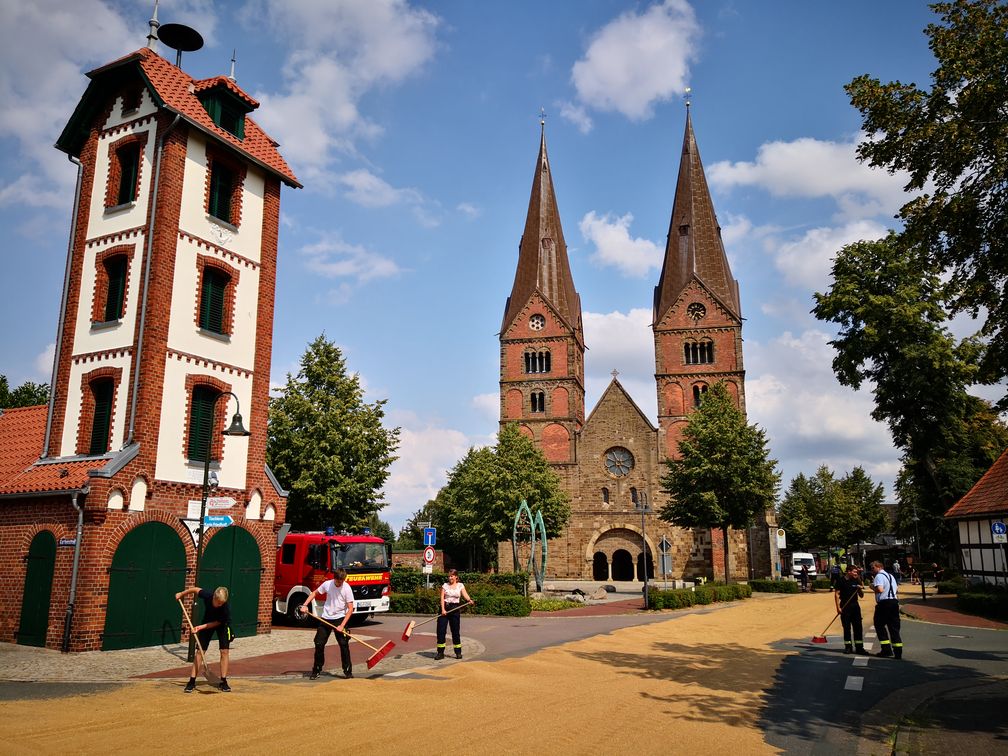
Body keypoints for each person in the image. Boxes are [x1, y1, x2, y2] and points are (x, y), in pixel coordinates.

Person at [175, 585, 233, 693]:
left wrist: (199, 627)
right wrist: (181, 594)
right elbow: (195, 589)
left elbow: (216, 623)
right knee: (200, 651)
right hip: (207, 620)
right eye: (218, 602)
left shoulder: (225, 609)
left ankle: (223, 681)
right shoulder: (208, 595)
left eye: (222, 603)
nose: (220, 605)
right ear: (214, 598)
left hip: (222, 625)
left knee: (224, 651)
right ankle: (191, 682)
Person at [301, 568, 354, 680]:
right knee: (319, 643)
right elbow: (314, 593)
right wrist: (305, 605)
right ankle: (317, 669)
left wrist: (342, 625)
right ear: (334, 578)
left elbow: (350, 609)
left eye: (342, 581)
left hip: (340, 618)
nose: (340, 583)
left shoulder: (347, 588)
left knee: (344, 644)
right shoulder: (327, 584)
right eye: (338, 581)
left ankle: (348, 671)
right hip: (326, 617)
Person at [436, 569, 474, 660]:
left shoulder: (460, 585)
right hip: (445, 608)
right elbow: (442, 598)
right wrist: (443, 609)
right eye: (449, 576)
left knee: (455, 631)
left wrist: (469, 600)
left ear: (456, 576)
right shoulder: (445, 586)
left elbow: (465, 595)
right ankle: (440, 653)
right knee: (441, 631)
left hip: (455, 608)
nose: (450, 578)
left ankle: (458, 652)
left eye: (452, 576)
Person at [870, 560, 902, 659]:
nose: (872, 571)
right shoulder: (890, 576)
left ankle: (886, 649)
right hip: (894, 602)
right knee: (894, 628)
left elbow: (880, 589)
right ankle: (898, 652)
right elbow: (896, 590)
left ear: (878, 567)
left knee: (879, 625)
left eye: (873, 568)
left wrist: (872, 587)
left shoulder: (879, 576)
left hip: (884, 603)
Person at [834, 565, 867, 655]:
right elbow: (837, 594)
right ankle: (848, 647)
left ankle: (859, 648)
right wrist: (838, 608)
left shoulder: (856, 580)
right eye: (854, 572)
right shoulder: (841, 580)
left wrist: (859, 589)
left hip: (855, 607)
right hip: (845, 606)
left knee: (858, 628)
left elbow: (861, 595)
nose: (856, 573)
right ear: (848, 571)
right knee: (846, 627)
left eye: (856, 572)